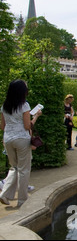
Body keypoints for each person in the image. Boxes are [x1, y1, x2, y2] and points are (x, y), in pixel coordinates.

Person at [0, 79, 42, 207]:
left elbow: (2, 126)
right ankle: (22, 200)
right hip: (21, 139)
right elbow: (27, 125)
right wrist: (36, 116)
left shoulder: (4, 106)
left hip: (8, 139)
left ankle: (5, 195)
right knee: (24, 170)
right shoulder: (24, 105)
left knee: (14, 167)